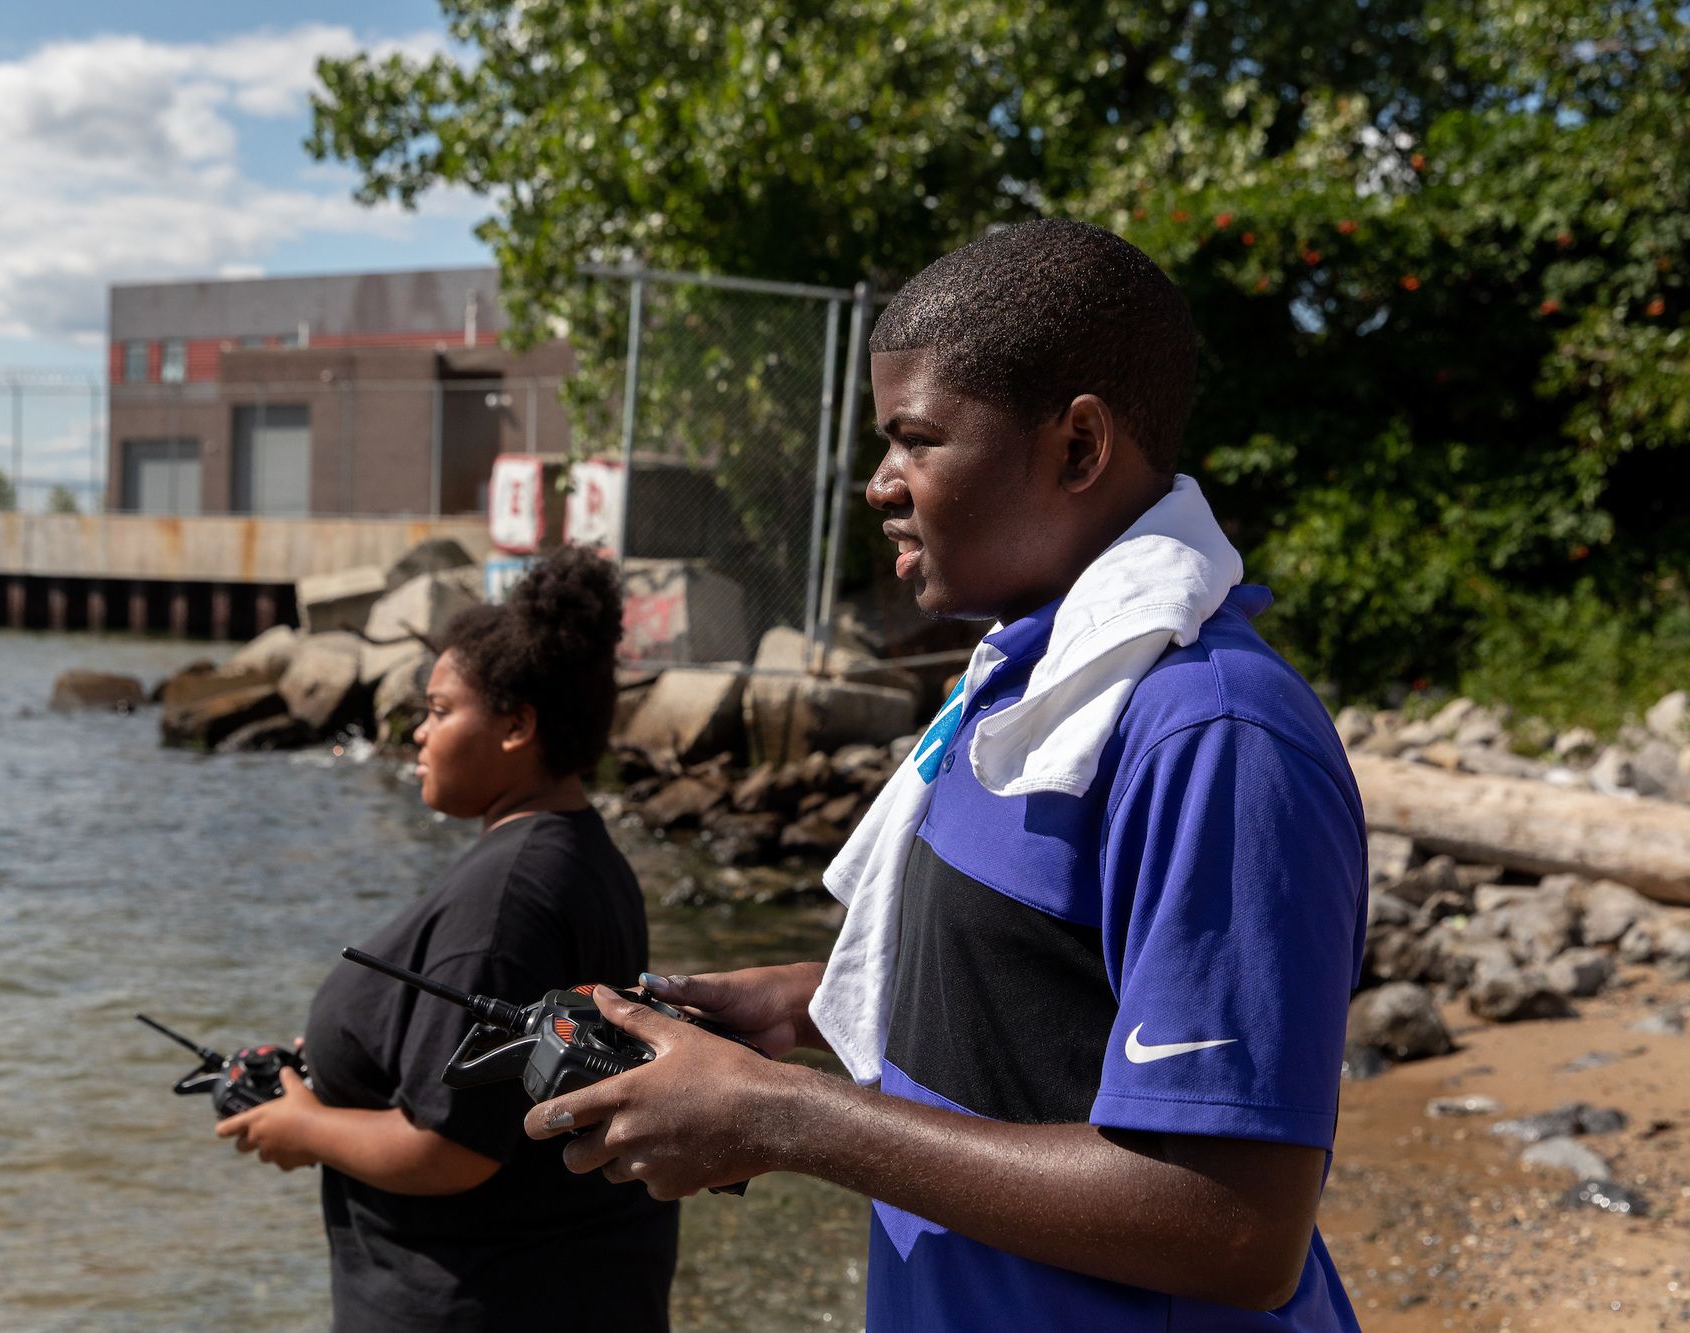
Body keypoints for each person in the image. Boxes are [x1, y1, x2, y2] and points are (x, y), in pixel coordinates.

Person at [524, 221, 1368, 1331]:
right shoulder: (1022, 686)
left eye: (914, 440)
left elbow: (1235, 1225)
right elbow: (1037, 1000)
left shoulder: (1208, 735)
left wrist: (785, 1118)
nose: (878, 484)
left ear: (1075, 447)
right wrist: (792, 1011)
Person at [216, 544, 678, 1332]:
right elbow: (501, 1064)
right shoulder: (578, 853)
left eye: (437, 710)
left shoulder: (505, 898)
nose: (415, 732)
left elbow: (453, 1149)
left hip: (479, 1301)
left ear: (515, 725)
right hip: (577, 1287)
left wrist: (303, 1129)